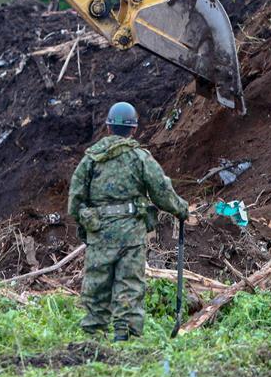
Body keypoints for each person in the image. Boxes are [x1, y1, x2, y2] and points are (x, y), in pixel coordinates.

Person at [68, 101, 189, 341]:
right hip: (131, 235)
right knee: (129, 284)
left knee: (97, 283)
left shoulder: (91, 160)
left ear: (109, 127)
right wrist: (181, 209)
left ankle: (93, 333)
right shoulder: (140, 158)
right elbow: (162, 191)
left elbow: (75, 200)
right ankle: (126, 334)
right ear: (134, 129)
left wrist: (86, 225)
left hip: (99, 233)